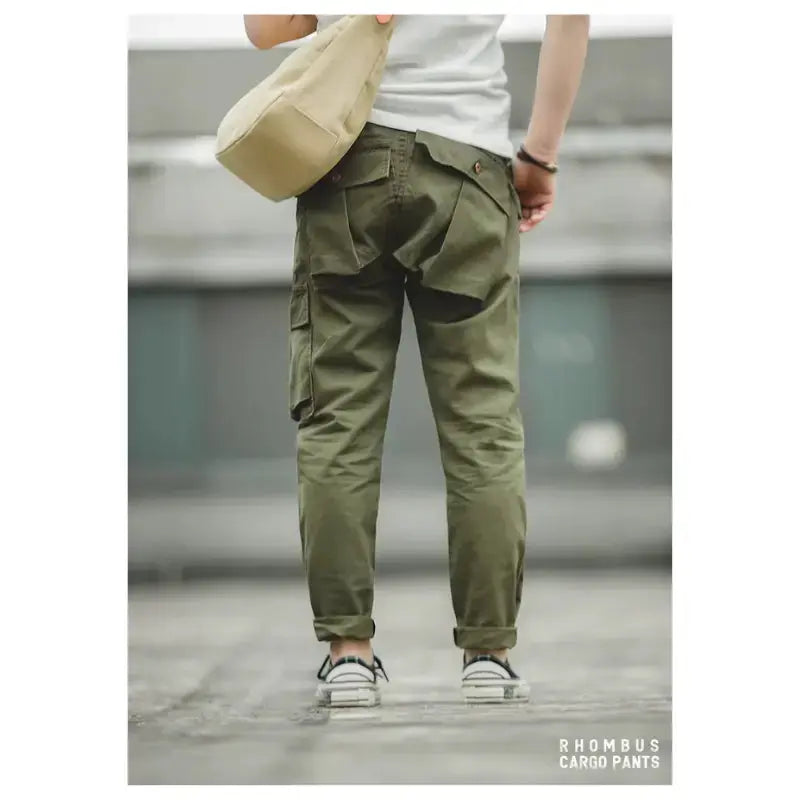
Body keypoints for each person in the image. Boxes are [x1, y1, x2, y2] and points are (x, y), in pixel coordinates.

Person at [243, 13, 590, 706]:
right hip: (470, 167)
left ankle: (348, 655)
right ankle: (488, 656)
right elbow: (571, 17)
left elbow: (264, 26)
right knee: (482, 422)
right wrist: (541, 155)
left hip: (348, 164)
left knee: (338, 419)